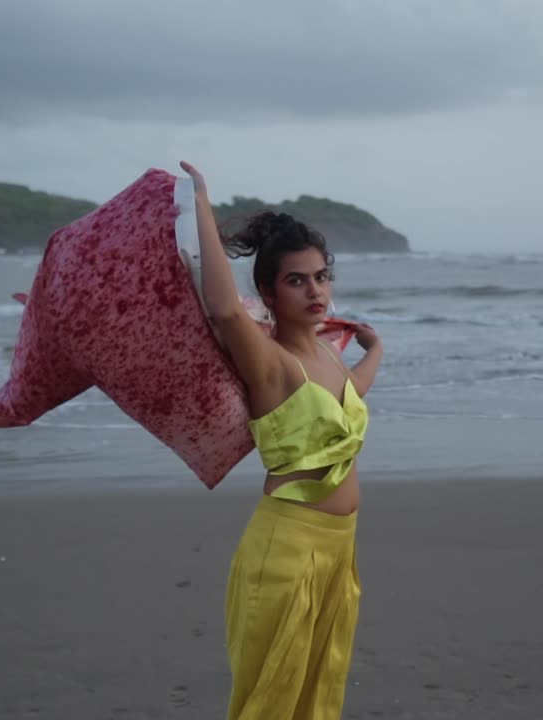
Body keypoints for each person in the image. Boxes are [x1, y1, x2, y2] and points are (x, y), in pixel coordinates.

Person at [179, 161, 384, 719]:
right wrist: (199, 201)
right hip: (288, 550)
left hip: (340, 548)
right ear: (268, 292)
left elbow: (347, 402)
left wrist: (374, 354)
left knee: (317, 694)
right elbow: (222, 308)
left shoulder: (326, 355)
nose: (315, 290)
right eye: (297, 280)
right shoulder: (272, 363)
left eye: (321, 276)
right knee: (270, 700)